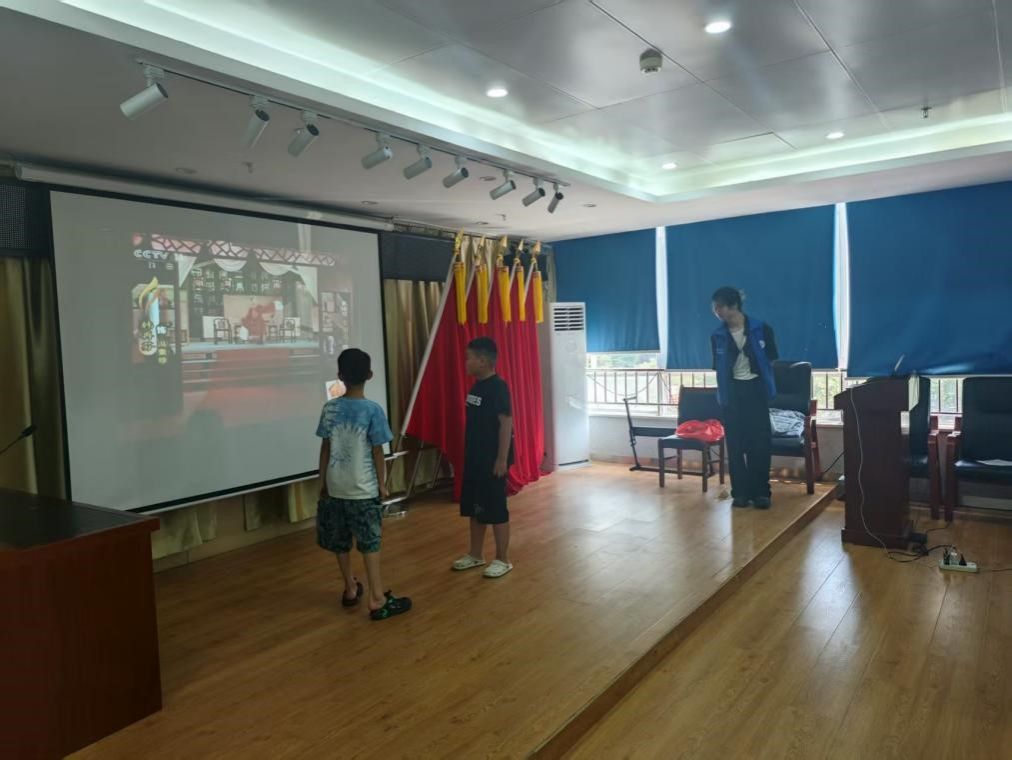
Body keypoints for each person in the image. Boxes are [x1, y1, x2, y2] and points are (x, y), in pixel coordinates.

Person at [316, 348, 411, 620]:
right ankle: (377, 598)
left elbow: (325, 448)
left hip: (335, 487)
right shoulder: (373, 410)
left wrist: (322, 481)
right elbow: (377, 451)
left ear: (340, 376)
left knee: (340, 541)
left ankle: (350, 588)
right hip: (363, 490)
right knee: (370, 542)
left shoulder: (329, 408)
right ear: (369, 375)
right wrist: (382, 485)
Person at [452, 337, 515, 578]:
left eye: (469, 358)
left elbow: (506, 423)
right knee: (475, 507)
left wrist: (501, 459)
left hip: (492, 461)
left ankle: (503, 559)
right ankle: (476, 554)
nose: (465, 362)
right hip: (475, 459)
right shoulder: (476, 387)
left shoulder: (498, 387)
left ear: (483, 360)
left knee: (496, 509)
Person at [711, 287, 778, 509]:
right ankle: (740, 493)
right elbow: (718, 367)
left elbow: (771, 359)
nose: (716, 310)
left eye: (720, 306)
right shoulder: (717, 336)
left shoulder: (762, 329)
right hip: (732, 393)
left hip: (756, 390)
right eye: (714, 307)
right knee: (736, 445)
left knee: (759, 444)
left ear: (734, 305)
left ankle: (761, 493)